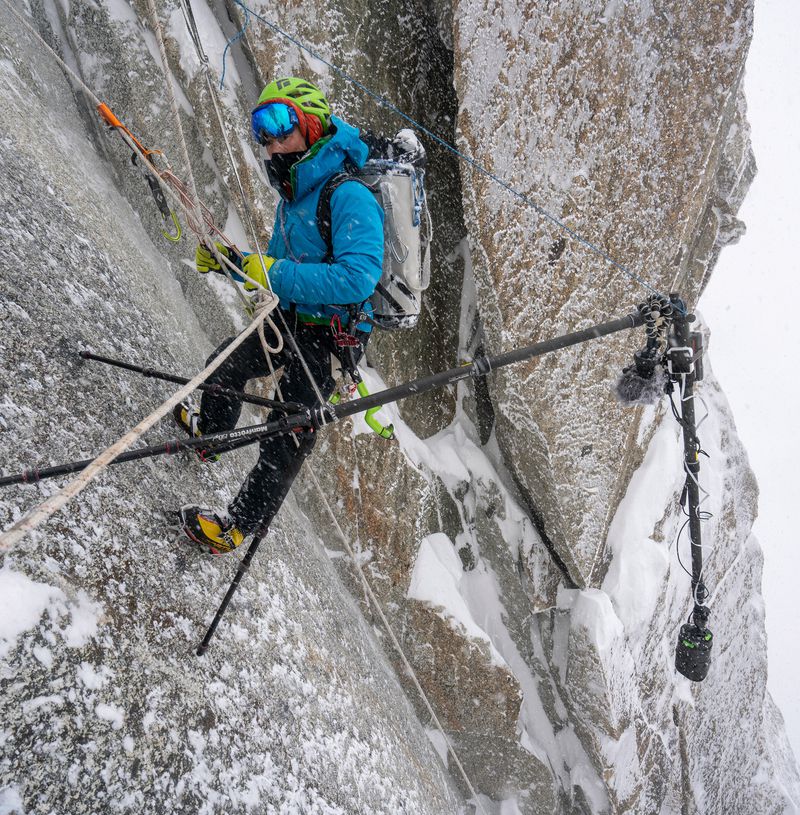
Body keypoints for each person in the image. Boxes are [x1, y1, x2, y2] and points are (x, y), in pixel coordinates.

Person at [176, 77, 384, 554]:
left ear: (311, 127)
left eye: (280, 127)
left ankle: (236, 528)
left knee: (287, 434)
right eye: (262, 132)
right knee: (224, 365)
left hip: (334, 335)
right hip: (290, 317)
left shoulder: (349, 194)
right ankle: (209, 435)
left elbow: (357, 279)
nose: (270, 143)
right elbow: (278, 264)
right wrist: (237, 264)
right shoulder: (295, 192)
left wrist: (268, 273)